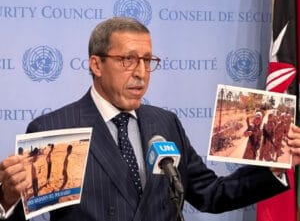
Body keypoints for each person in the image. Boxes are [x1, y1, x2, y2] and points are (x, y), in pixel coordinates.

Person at [1, 16, 300, 221]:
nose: (141, 72)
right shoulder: (55, 128)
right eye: (127, 59)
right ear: (97, 64)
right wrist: (9, 199)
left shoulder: (165, 123)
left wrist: (271, 168)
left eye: (147, 60)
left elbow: (211, 195)